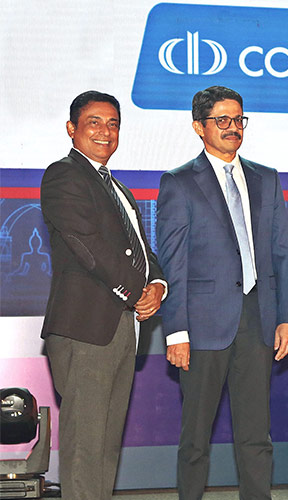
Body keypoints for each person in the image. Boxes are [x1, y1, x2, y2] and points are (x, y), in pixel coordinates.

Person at [156, 86, 288, 500]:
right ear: (198, 127)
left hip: (258, 319)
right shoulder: (179, 182)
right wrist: (176, 331)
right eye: (222, 120)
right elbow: (174, 262)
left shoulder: (266, 178)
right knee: (195, 438)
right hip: (202, 326)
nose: (233, 127)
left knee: (256, 435)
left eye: (238, 119)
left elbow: (282, 251)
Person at [40, 90, 166, 500]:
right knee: (85, 446)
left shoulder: (118, 189)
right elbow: (89, 248)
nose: (105, 131)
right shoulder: (64, 175)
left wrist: (157, 286)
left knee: (106, 445)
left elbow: (143, 251)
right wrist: (136, 291)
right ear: (72, 128)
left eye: (113, 124)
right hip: (86, 328)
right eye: (94, 122)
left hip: (122, 327)